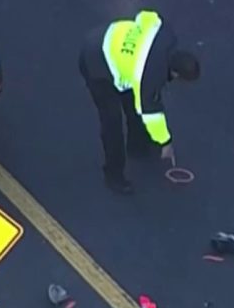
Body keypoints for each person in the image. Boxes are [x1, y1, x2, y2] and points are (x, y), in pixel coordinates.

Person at [78, 10, 201, 195]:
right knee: (112, 124)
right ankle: (114, 176)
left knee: (133, 102)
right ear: (175, 73)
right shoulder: (150, 75)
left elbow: (147, 16)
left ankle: (137, 145)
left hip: (109, 40)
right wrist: (165, 142)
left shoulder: (165, 35)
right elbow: (150, 112)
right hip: (97, 64)